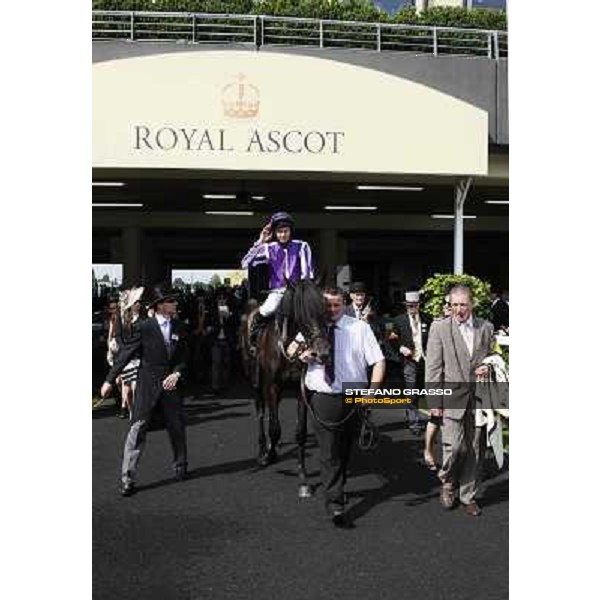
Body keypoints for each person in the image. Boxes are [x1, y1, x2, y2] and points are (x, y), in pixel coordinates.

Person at [300, 286, 385, 527]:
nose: (332, 309)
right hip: (324, 396)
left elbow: (378, 361)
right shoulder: (312, 327)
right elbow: (289, 351)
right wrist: (303, 354)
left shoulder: (359, 327)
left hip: (355, 396)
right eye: (327, 305)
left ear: (344, 303)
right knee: (329, 453)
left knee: (346, 450)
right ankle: (336, 505)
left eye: (336, 304)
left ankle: (337, 486)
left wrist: (372, 392)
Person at [100, 285, 190, 497]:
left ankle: (181, 465)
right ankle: (127, 478)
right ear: (159, 306)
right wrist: (109, 380)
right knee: (137, 430)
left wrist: (177, 373)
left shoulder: (179, 326)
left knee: (177, 426)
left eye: (175, 301)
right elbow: (126, 353)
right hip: (147, 386)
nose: (175, 304)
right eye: (171, 301)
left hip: (171, 386)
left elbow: (184, 357)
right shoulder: (145, 327)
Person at [425, 285, 495, 517]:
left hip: (478, 398)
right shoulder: (439, 328)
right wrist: (434, 400)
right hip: (450, 397)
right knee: (453, 447)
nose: (459, 309)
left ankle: (468, 496)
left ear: (471, 304)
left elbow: (493, 358)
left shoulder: (486, 327)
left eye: (463, 304)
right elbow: (433, 367)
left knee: (475, 448)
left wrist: (488, 366)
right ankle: (447, 482)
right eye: (454, 305)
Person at [241, 211, 314, 349]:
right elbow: (245, 263)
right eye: (279, 232)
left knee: (315, 313)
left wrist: (305, 293)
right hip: (278, 291)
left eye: (285, 231)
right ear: (274, 233)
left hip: (299, 291)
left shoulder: (302, 246)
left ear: (290, 231)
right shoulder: (269, 248)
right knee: (268, 309)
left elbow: (307, 274)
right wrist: (260, 241)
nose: (283, 234)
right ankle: (254, 338)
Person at [389, 291, 431, 435]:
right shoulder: (398, 321)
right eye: (409, 305)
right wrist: (400, 348)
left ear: (419, 305)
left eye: (415, 305)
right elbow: (391, 339)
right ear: (406, 306)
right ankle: (414, 421)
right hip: (409, 361)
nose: (412, 307)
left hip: (426, 360)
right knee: (412, 389)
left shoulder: (427, 319)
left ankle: (416, 411)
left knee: (422, 390)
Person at [422, 295, 453, 470]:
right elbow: (433, 361)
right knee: (436, 417)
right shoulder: (438, 326)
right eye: (447, 304)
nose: (449, 307)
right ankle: (428, 450)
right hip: (440, 381)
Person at [115, 287, 145, 419]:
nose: (139, 304)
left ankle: (137, 414)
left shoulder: (144, 319)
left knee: (135, 386)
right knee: (126, 390)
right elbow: (118, 337)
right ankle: (131, 410)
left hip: (139, 358)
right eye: (136, 301)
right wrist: (125, 351)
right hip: (125, 359)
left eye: (140, 301)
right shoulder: (122, 319)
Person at [204, 288, 238, 395]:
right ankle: (215, 386)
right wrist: (210, 327)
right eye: (219, 298)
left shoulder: (230, 311)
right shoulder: (212, 311)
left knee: (226, 364)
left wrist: (228, 317)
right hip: (216, 340)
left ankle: (225, 385)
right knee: (216, 363)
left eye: (224, 298)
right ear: (216, 300)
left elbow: (234, 325)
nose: (222, 300)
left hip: (227, 340)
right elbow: (207, 323)